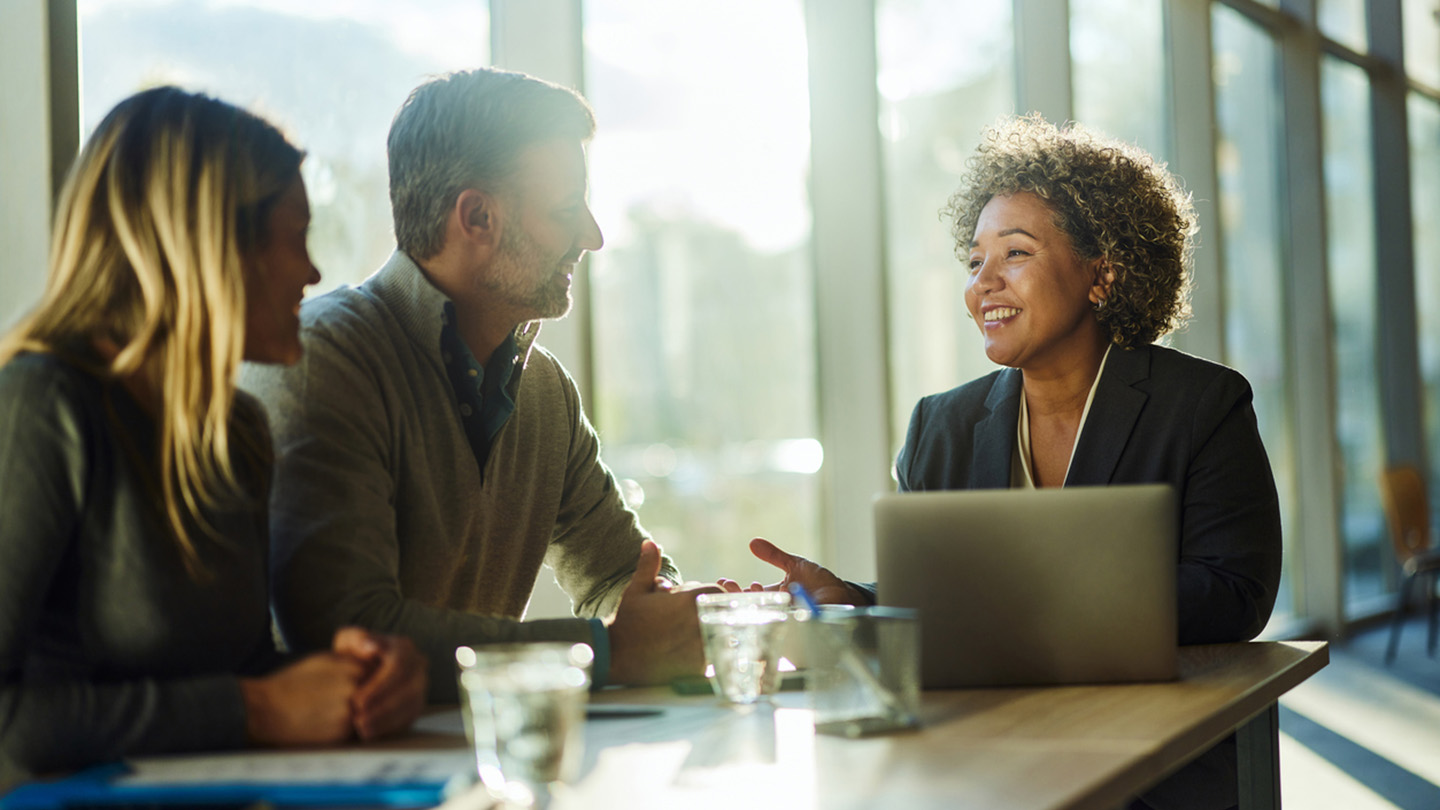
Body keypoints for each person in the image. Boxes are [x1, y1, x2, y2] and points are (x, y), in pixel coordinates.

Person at [723, 115, 1282, 810]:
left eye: (1014, 254)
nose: (982, 283)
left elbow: (1235, 594)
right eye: (973, 260)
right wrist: (858, 601)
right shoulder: (942, 426)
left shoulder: (1201, 403)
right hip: (981, 751)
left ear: (1102, 272)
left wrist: (1032, 604)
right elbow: (937, 599)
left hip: (1154, 759)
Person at [0, 87, 427, 788]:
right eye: (295, 237)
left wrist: (364, 681)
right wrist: (255, 708)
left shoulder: (237, 431)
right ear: (213, 246)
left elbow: (243, 672)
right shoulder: (42, 408)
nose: (314, 273)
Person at [240, 68, 711, 703]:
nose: (592, 236)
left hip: (475, 771)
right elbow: (346, 630)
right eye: (566, 210)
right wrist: (603, 651)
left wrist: (686, 613)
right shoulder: (324, 359)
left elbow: (622, 576)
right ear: (477, 216)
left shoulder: (545, 392)